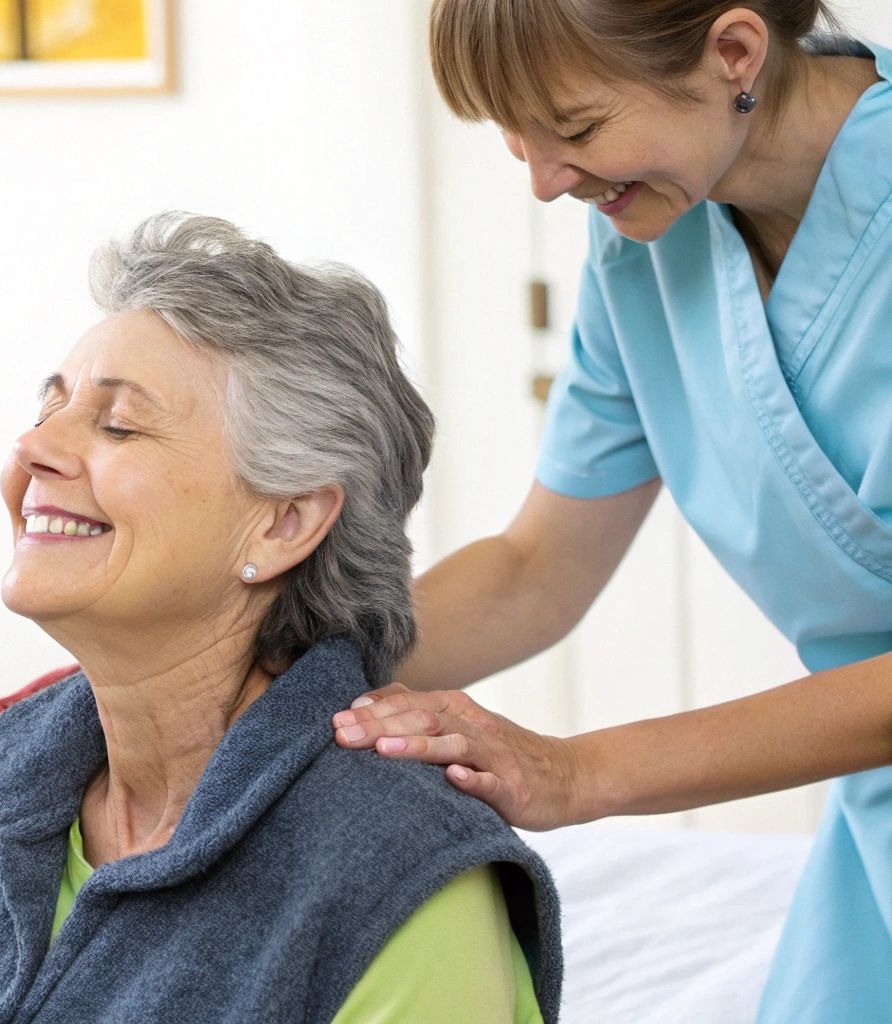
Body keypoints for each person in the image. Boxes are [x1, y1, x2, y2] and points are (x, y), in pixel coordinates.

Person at [324, 2, 892, 1019]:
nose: (545, 183)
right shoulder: (644, 247)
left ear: (731, 53)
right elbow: (535, 564)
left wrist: (575, 773)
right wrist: (270, 658)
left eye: (575, 131)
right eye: (515, 141)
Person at [0, 212, 561, 1023]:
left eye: (119, 424)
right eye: (45, 411)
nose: (33, 451)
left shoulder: (401, 877)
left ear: (284, 523)